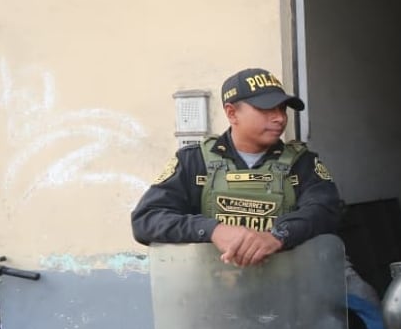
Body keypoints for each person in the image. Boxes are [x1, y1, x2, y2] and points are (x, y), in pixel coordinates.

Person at [131, 67, 339, 266]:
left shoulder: (302, 163)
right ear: (231, 113)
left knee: (365, 299)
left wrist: (278, 236)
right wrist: (213, 230)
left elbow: (325, 210)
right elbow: (147, 219)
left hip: (288, 289)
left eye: (282, 108)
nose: (280, 118)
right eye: (266, 109)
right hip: (211, 290)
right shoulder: (194, 161)